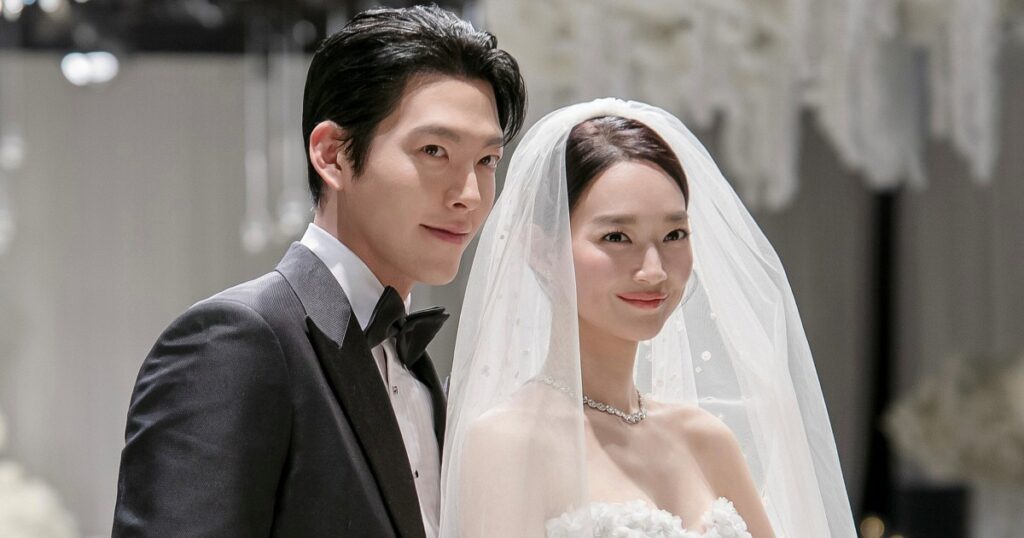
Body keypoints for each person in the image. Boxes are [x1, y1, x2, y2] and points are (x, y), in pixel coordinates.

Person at [112, 6, 525, 537]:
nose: (469, 194)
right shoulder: (236, 342)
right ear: (332, 155)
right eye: (434, 151)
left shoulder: (420, 371)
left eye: (487, 161)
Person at [440, 99, 856, 537]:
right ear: (542, 251)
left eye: (674, 234)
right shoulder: (511, 442)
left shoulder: (706, 440)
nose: (654, 271)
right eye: (617, 237)